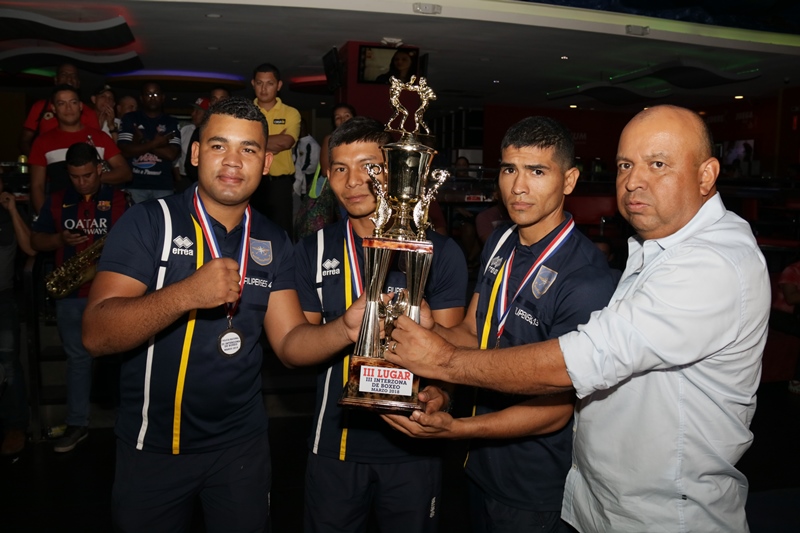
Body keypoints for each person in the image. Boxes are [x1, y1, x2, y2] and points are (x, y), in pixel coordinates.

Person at [385, 105, 771, 532]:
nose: (634, 180)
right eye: (625, 165)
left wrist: (444, 367)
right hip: (597, 497)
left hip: (664, 512)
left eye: (658, 164)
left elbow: (573, 368)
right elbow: (479, 331)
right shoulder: (653, 249)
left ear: (706, 175)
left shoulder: (711, 264)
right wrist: (429, 336)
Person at [81, 97, 364, 532]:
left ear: (266, 163)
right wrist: (185, 295)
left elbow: (291, 344)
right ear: (195, 154)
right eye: (219, 146)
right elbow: (96, 334)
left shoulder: (272, 240)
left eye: (248, 149)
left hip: (241, 449)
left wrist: (343, 328)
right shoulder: (150, 222)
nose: (233, 161)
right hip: (152, 446)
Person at [383, 117, 617, 533]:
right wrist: (428, 331)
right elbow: (475, 333)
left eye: (537, 171)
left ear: (569, 180)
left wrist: (456, 429)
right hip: (479, 463)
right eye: (510, 169)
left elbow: (556, 409)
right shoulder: (501, 240)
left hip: (533, 482)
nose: (518, 187)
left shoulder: (587, 279)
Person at [290, 116, 467, 533]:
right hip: (334, 444)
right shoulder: (312, 250)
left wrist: (441, 393)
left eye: (368, 167)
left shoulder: (439, 251)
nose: (353, 181)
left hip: (413, 445)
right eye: (339, 168)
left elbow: (454, 356)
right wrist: (344, 329)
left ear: (393, 170)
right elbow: (295, 349)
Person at [31, 142, 129, 453]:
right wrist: (59, 239)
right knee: (77, 360)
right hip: (72, 293)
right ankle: (77, 423)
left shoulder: (120, 199)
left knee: (119, 359)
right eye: (75, 177)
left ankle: (127, 425)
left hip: (110, 291)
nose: (82, 182)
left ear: (100, 169)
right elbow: (36, 240)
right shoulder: (56, 200)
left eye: (87, 175)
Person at [29, 85, 131, 214]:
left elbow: (125, 173)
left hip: (98, 213)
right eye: (62, 103)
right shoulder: (42, 141)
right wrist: (45, 218)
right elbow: (37, 186)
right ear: (54, 108)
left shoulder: (100, 137)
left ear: (81, 106)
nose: (68, 108)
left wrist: (92, 178)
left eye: (73, 102)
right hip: (61, 213)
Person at [0, 179, 35, 456]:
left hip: (3, 298)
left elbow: (31, 249)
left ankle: (16, 427)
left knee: (9, 365)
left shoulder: (10, 213)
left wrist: (12, 209)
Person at [250, 63, 300, 239]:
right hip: (250, 181)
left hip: (280, 184)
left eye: (269, 83)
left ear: (278, 85)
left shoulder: (291, 113)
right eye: (259, 83)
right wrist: (273, 141)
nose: (264, 89)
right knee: (251, 231)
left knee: (282, 234)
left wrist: (252, 143)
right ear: (253, 84)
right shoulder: (244, 112)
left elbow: (286, 142)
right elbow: (238, 144)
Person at [117, 82, 181, 203]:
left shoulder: (171, 122)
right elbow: (124, 151)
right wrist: (156, 143)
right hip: (135, 185)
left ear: (162, 97)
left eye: (156, 94)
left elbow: (171, 154)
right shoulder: (130, 118)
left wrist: (141, 141)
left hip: (163, 186)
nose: (152, 98)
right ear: (142, 98)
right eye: (148, 94)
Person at [19, 62, 100, 156]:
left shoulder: (88, 112)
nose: (69, 78)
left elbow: (96, 143)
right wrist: (37, 160)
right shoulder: (40, 107)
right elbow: (24, 141)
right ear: (56, 80)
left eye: (73, 76)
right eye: (64, 75)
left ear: (78, 83)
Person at [184, 87, 231, 182]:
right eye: (214, 99)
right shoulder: (200, 130)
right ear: (210, 104)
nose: (218, 103)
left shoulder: (237, 128)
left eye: (222, 99)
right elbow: (190, 163)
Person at [175, 97, 209, 185]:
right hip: (184, 179)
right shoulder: (185, 130)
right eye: (193, 110)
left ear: (206, 114)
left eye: (197, 112)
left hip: (204, 180)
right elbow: (177, 154)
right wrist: (178, 177)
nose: (193, 114)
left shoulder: (211, 133)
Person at [319, 103, 356, 176]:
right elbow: (325, 171)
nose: (343, 119)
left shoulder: (363, 139)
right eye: (338, 117)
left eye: (347, 115)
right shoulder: (329, 139)